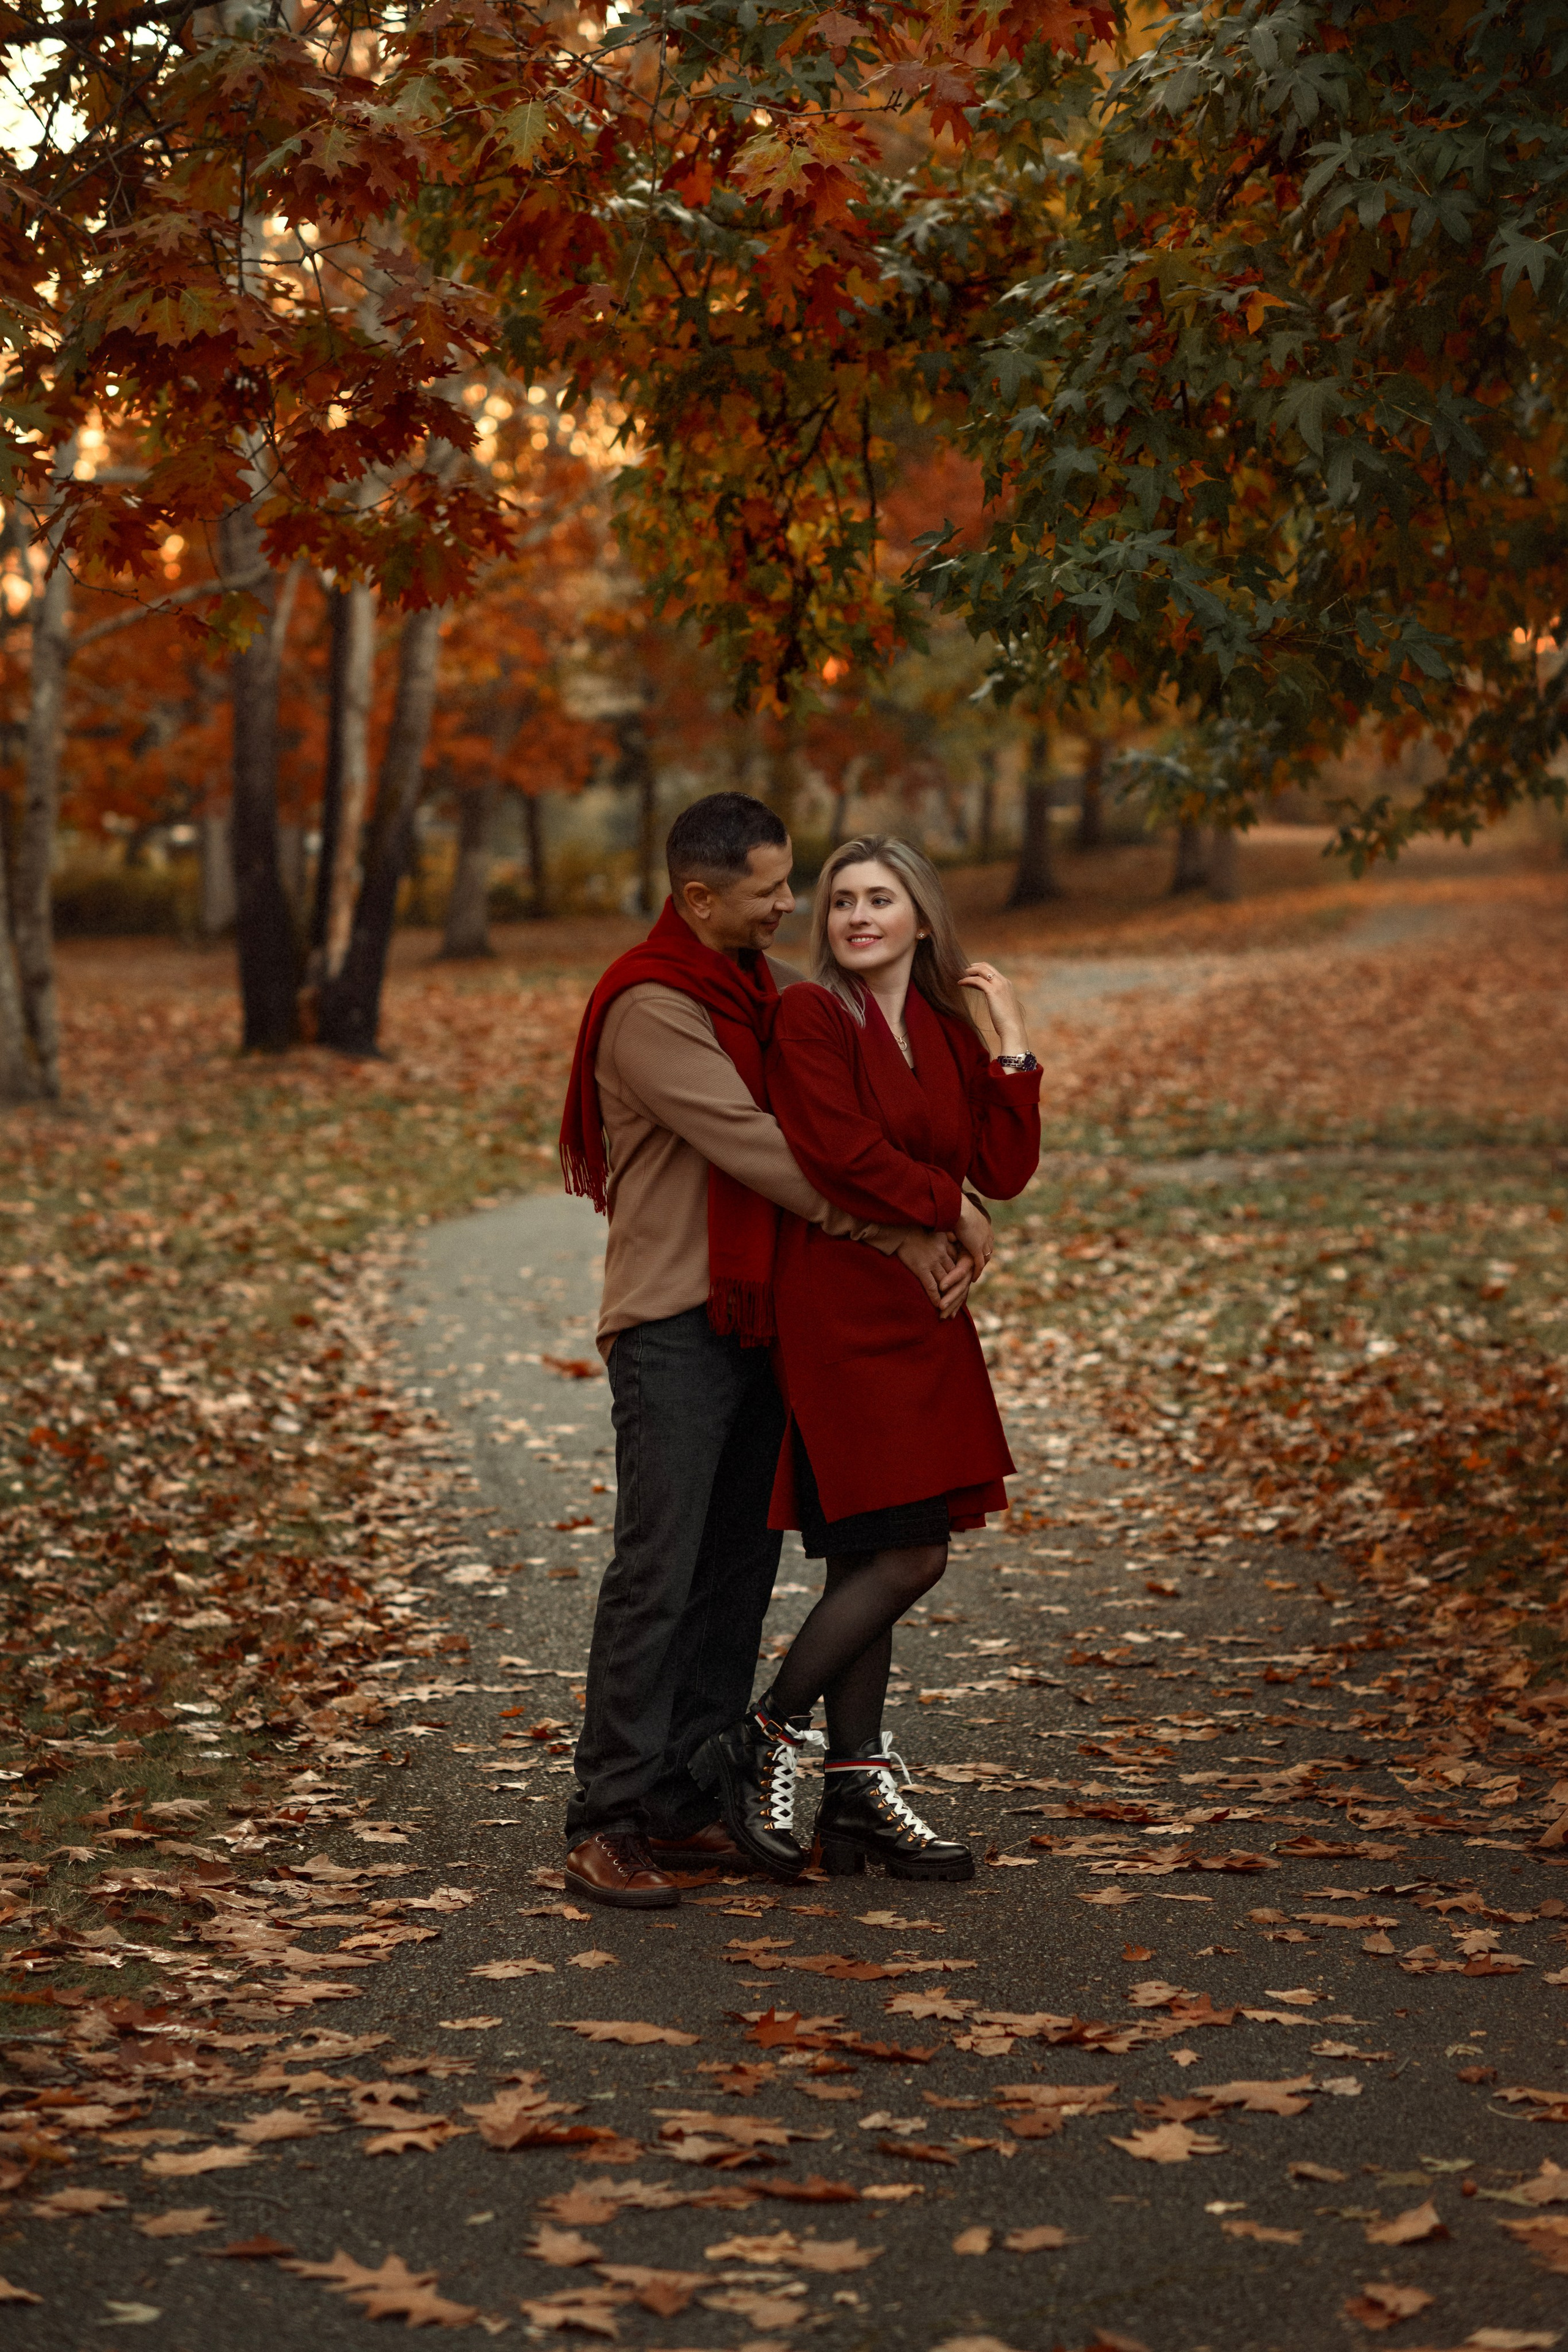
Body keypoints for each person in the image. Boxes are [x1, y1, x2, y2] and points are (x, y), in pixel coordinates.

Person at [557, 796, 989, 1909]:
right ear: (700, 898)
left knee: (735, 1570)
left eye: (796, 882)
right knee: (659, 1569)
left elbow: (856, 1117)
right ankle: (607, 1814)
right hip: (672, 1318)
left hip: (762, 1316)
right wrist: (908, 1227)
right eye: (771, 890)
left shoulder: (762, 996)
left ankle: (689, 1796)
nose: (792, 905)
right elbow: (772, 1153)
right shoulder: (653, 1008)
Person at [693, 835, 1041, 1883]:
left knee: (870, 1556)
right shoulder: (811, 1015)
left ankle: (854, 1799)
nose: (855, 916)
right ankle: (759, 1735)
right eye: (842, 899)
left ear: (920, 920)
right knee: (909, 1553)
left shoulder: (938, 1028)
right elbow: (835, 1151)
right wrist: (955, 1213)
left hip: (923, 1311)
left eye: (879, 899)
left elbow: (1006, 1165)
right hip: (840, 1305)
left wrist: (1011, 1043)